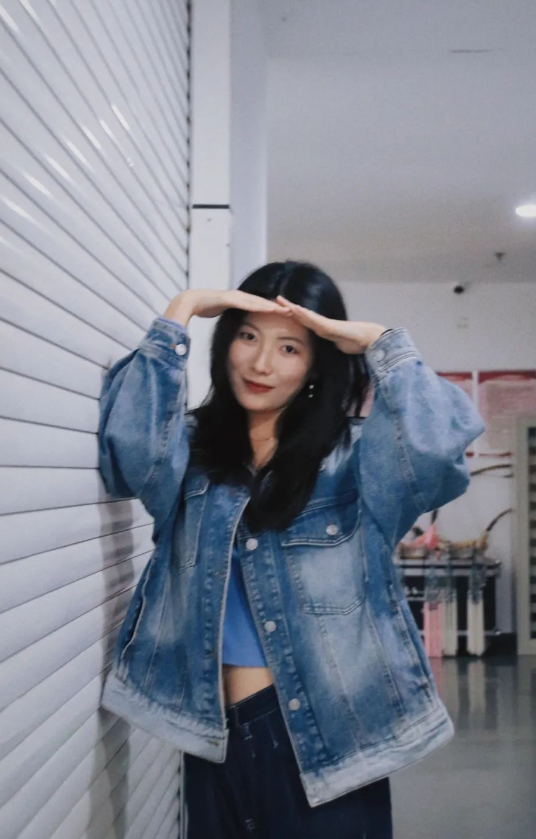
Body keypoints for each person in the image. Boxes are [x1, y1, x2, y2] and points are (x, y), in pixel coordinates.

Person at [98, 260, 485, 838]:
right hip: (211, 736)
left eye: (288, 348)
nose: (260, 364)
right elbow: (127, 455)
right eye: (247, 337)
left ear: (314, 366)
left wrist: (380, 343)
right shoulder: (194, 452)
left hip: (327, 743)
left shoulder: (358, 461)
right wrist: (180, 313)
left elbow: (438, 453)